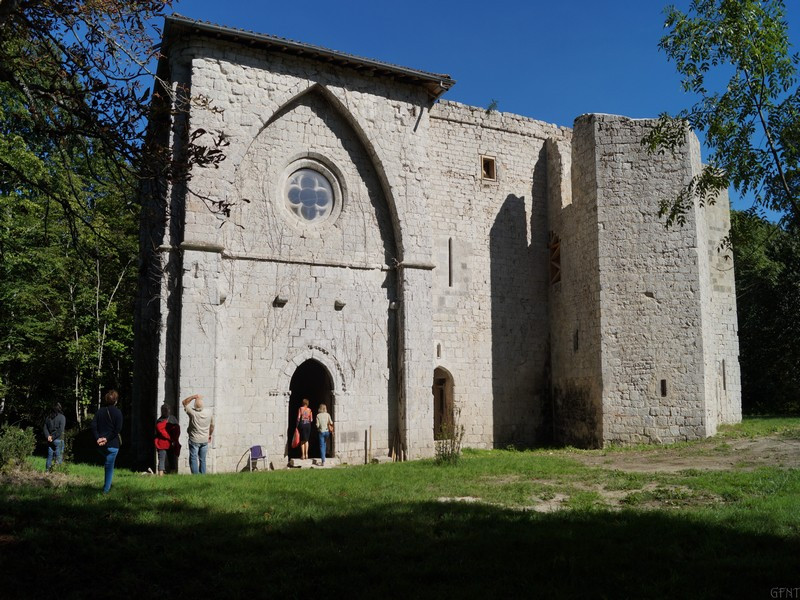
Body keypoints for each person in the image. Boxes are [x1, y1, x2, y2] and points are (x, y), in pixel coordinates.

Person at [91, 390, 123, 494]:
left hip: (100, 445)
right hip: (112, 445)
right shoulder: (118, 413)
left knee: (107, 464)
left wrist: (98, 438)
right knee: (109, 467)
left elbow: (93, 426)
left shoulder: (100, 411)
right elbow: (117, 430)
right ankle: (106, 490)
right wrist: (107, 439)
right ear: (116, 401)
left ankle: (107, 485)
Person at [182, 393, 214, 474]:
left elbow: (184, 402)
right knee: (203, 459)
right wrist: (209, 435)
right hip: (204, 439)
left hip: (194, 439)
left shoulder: (193, 413)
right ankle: (202, 475)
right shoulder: (209, 412)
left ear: (195, 406)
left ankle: (195, 476)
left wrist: (193, 397)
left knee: (193, 458)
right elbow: (212, 425)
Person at [154, 404, 181, 475]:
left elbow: (176, 430)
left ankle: (163, 475)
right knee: (166, 459)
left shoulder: (161, 421)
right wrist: (173, 439)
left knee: (165, 459)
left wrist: (173, 438)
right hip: (168, 443)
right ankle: (165, 474)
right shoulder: (162, 421)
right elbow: (176, 431)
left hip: (164, 443)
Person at [43, 402, 66, 472]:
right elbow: (60, 430)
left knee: (49, 457)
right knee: (58, 458)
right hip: (59, 440)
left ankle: (47, 472)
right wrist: (52, 437)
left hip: (50, 441)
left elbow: (45, 428)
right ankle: (57, 474)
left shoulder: (48, 417)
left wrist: (48, 436)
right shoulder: (62, 417)